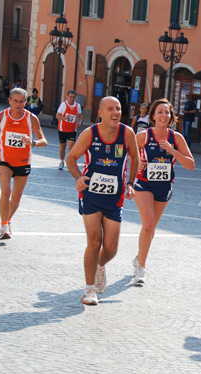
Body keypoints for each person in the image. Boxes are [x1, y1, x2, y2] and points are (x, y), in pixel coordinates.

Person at [65, 96, 139, 305]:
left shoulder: (127, 133)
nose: (115, 113)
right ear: (100, 113)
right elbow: (71, 158)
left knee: (111, 248)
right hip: (90, 195)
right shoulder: (90, 133)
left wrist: (131, 183)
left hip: (115, 197)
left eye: (118, 109)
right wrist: (78, 177)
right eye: (110, 109)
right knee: (94, 241)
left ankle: (99, 265)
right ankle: (89, 290)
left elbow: (135, 157)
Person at [133, 98, 195, 284]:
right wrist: (138, 161)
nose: (164, 115)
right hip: (143, 183)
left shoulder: (176, 138)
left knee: (151, 229)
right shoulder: (144, 135)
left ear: (171, 116)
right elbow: (126, 150)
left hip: (164, 186)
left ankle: (138, 258)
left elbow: (190, 165)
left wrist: (172, 150)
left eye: (167, 112)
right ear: (153, 115)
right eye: (160, 112)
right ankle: (140, 268)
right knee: (149, 224)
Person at [0, 88, 48, 239]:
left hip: (23, 161)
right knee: (6, 191)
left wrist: (32, 142)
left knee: (16, 198)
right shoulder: (0, 116)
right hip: (4, 159)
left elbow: (44, 141)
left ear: (25, 103)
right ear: (9, 101)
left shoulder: (31, 118)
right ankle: (3, 227)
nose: (18, 104)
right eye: (15, 101)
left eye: (21, 101)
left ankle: (8, 220)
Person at [56, 89, 82, 170]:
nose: (72, 99)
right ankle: (61, 161)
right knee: (63, 146)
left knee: (71, 146)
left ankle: (69, 163)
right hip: (62, 129)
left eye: (73, 97)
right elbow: (57, 116)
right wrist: (65, 118)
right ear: (67, 96)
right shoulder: (63, 105)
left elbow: (80, 114)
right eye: (70, 97)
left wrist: (80, 122)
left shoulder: (77, 106)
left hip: (72, 130)